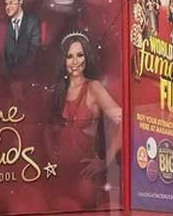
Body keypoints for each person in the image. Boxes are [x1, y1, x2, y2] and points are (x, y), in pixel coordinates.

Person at [49, 33, 122, 196]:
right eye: (69, 56)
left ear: (87, 57)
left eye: (80, 55)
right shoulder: (59, 92)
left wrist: (105, 161)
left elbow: (124, 122)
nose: (75, 62)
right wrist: (51, 153)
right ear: (63, 60)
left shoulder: (93, 87)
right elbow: (47, 128)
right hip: (59, 173)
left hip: (85, 176)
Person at [2, 0, 41, 75]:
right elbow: (2, 55)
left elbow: (34, 52)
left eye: (11, 3)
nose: (8, 7)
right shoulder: (4, 25)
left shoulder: (33, 22)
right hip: (7, 78)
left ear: (20, 1)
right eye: (6, 4)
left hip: (28, 76)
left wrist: (20, 75)